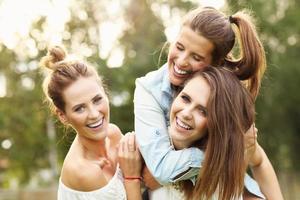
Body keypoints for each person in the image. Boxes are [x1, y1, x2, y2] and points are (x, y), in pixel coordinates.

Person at [134, 6, 267, 199]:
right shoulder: (149, 89)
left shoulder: (227, 96)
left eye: (196, 57)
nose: (181, 61)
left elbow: (256, 157)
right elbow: (161, 168)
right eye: (179, 47)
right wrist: (224, 150)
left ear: (216, 64)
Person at [148, 67, 283, 200]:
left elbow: (259, 160)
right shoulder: (151, 145)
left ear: (218, 124)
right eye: (185, 98)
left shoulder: (225, 160)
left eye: (203, 111)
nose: (186, 113)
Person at [40, 46, 142, 200]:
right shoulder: (83, 171)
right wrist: (132, 177)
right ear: (63, 115)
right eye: (79, 108)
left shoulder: (113, 133)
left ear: (104, 92)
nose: (94, 115)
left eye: (97, 99)